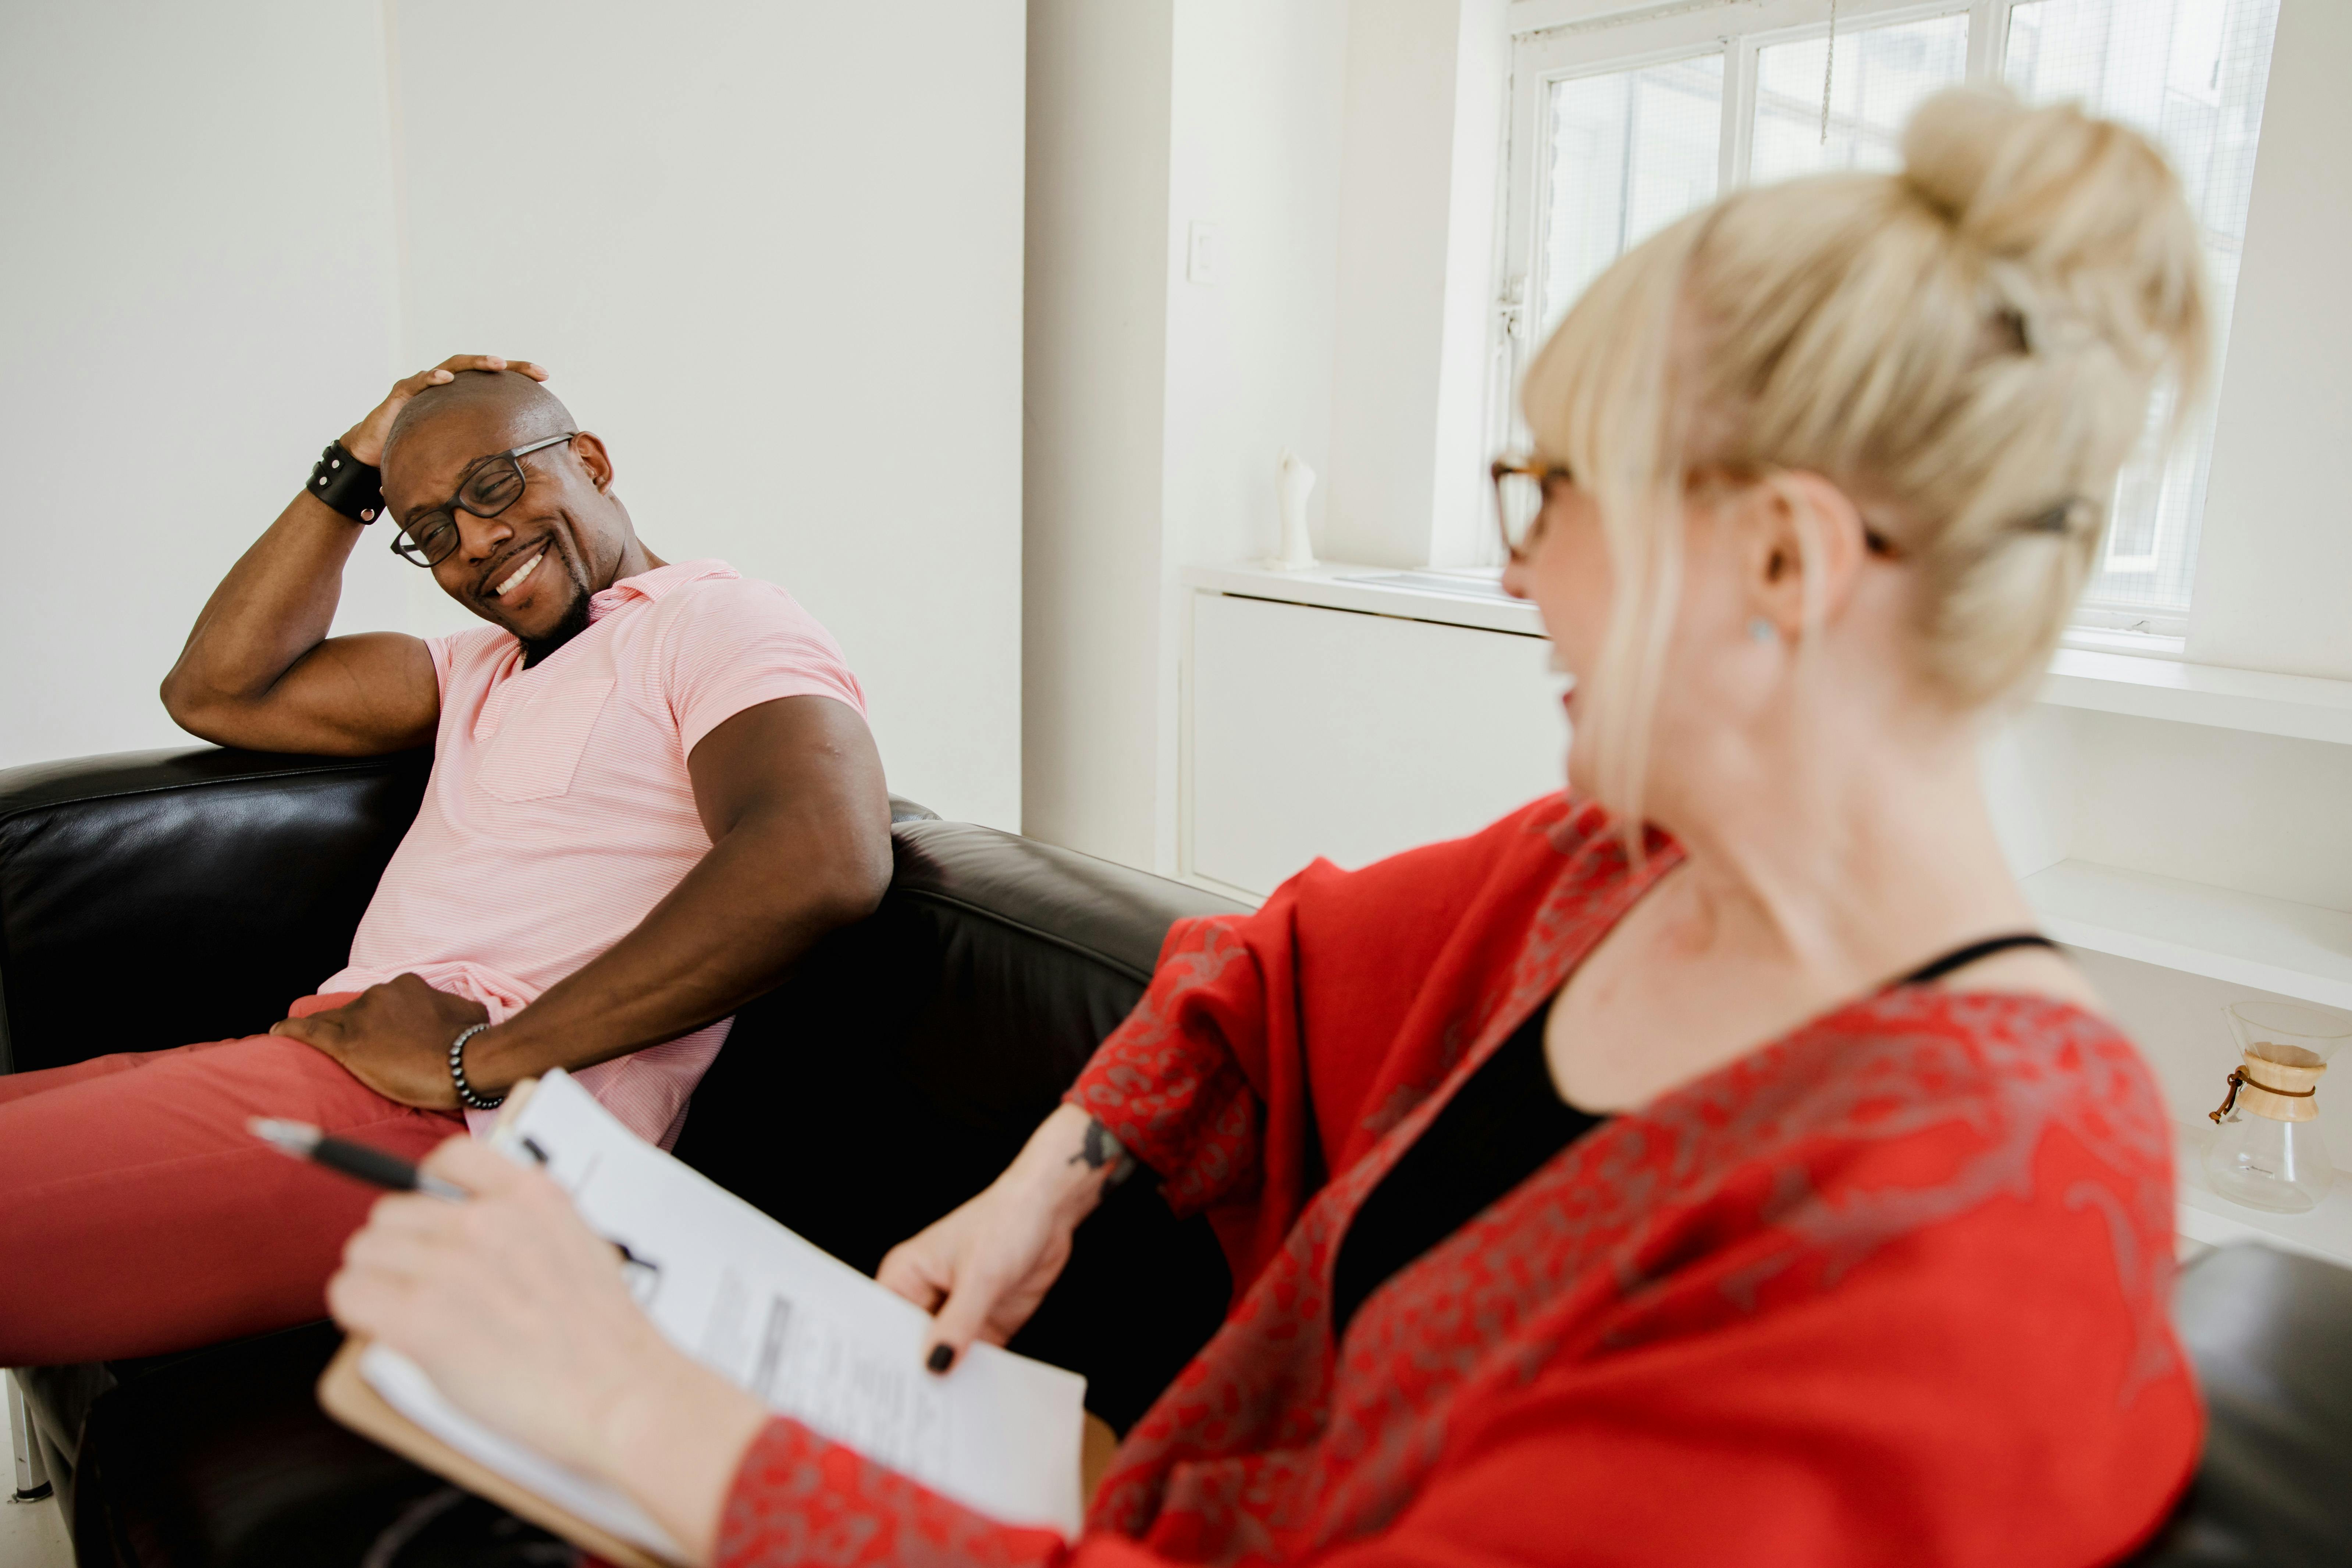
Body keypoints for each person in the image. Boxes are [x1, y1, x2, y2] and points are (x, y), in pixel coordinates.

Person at [328, 89, 2207, 1568]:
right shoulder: (1611, 873)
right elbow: (1267, 960)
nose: (1511, 557)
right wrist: (1034, 1194)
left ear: (1782, 558)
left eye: (1551, 494)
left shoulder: (1980, 1196)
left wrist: (652, 1418)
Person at [0, 358, 892, 1366]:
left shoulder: (717, 621)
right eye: (429, 531)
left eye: (493, 485)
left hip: (470, 1134)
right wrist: (358, 456)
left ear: (590, 461)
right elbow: (217, 691)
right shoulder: (479, 668)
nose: (472, 543)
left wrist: (480, 1065)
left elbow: (821, 856)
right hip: (335, 1064)